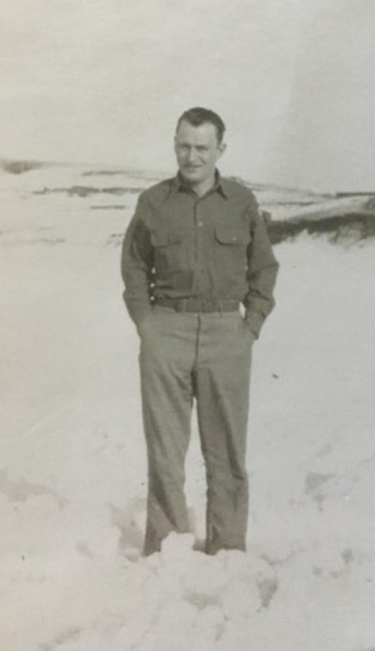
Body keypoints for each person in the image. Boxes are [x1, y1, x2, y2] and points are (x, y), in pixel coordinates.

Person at [121, 107, 279, 556]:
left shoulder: (242, 202)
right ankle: (168, 551)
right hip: (166, 331)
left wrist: (250, 325)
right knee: (166, 452)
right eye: (184, 146)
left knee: (226, 452)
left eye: (201, 148)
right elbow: (134, 266)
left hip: (226, 333)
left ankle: (228, 550)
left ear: (220, 150)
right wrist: (147, 323)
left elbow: (264, 267)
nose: (191, 157)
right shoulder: (153, 202)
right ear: (175, 145)